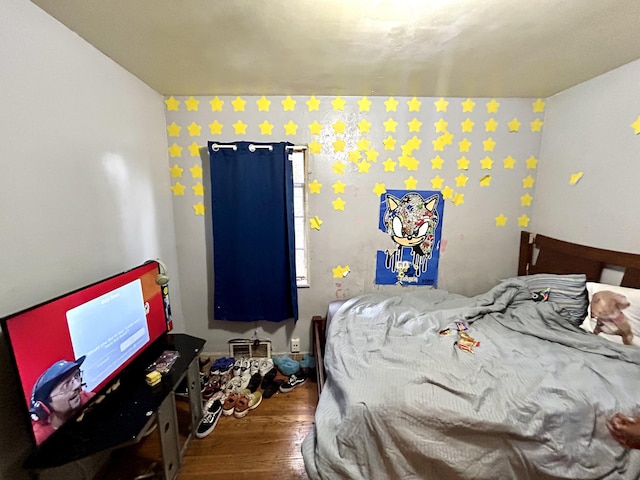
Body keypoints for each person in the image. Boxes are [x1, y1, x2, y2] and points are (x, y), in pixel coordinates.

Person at [29, 356, 95, 444]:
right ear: (44, 406)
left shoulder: (88, 399)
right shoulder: (39, 438)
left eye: (76, 376)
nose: (77, 385)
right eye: (66, 385)